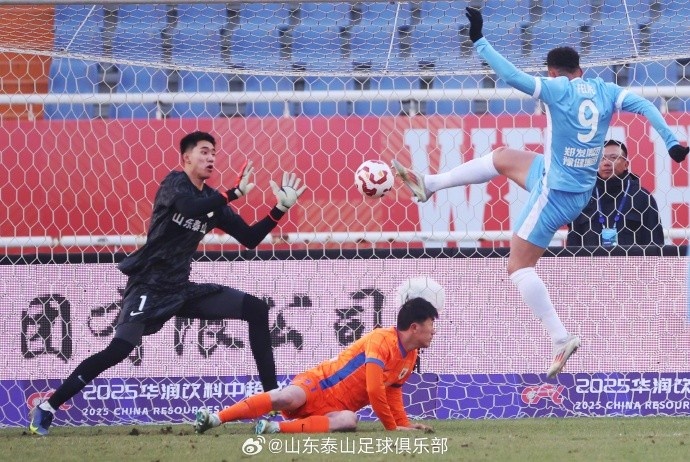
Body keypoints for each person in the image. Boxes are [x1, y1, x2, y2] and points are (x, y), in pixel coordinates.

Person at [392, 7, 689, 379]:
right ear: (581, 70)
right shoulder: (605, 90)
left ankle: (560, 337)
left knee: (518, 266)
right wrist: (672, 142)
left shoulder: (556, 88)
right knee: (502, 157)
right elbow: (645, 104)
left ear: (551, 73)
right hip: (568, 180)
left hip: (556, 193)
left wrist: (479, 40)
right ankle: (430, 184)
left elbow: (512, 76)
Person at [29, 131, 307, 436]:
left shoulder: (213, 202)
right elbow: (188, 208)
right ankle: (48, 406)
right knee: (119, 349)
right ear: (186, 157)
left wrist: (280, 209)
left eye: (213, 153)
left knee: (256, 309)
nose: (211, 158)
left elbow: (250, 238)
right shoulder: (175, 184)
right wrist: (232, 193)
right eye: (204, 152)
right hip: (148, 285)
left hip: (180, 289)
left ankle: (271, 401)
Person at [193, 297, 438, 435]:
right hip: (318, 385)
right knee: (287, 397)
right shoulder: (381, 340)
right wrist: (393, 428)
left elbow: (393, 390)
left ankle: (274, 428)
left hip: (335, 410)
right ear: (414, 327)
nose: (434, 331)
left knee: (349, 420)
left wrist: (404, 423)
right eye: (431, 324)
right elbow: (374, 390)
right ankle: (215, 418)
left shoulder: (411, 355)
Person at [567, 139, 664, 247]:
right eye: (601, 158)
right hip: (591, 258)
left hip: (630, 258)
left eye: (613, 158)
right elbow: (573, 244)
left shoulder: (642, 197)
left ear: (626, 164)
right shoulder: (584, 197)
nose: (606, 163)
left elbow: (655, 244)